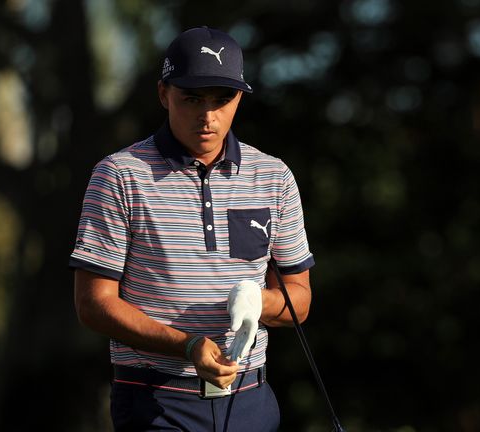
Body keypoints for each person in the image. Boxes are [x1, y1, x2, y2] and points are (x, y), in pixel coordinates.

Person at [69, 26, 315, 431]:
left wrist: (258, 302)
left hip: (250, 400)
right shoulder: (119, 175)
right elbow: (93, 304)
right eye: (192, 98)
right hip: (156, 400)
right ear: (164, 94)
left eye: (223, 100)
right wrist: (187, 345)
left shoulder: (273, 176)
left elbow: (299, 300)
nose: (208, 115)